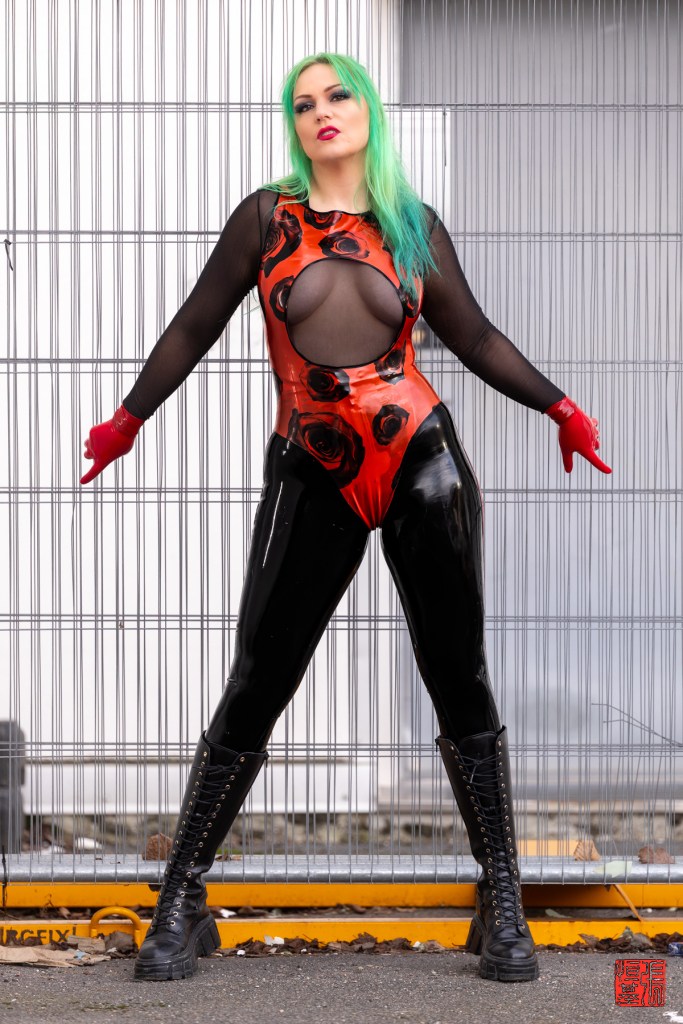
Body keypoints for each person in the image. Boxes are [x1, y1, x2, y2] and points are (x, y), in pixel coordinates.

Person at [80, 52, 611, 983]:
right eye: (303, 104)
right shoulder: (265, 219)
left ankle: (500, 900)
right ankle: (181, 900)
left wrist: (559, 407)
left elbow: (474, 335)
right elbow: (193, 325)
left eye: (337, 95)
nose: (321, 112)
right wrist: (127, 419)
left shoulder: (411, 224)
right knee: (258, 679)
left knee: (459, 678)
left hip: (422, 465)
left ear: (366, 108)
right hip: (311, 465)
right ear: (294, 126)